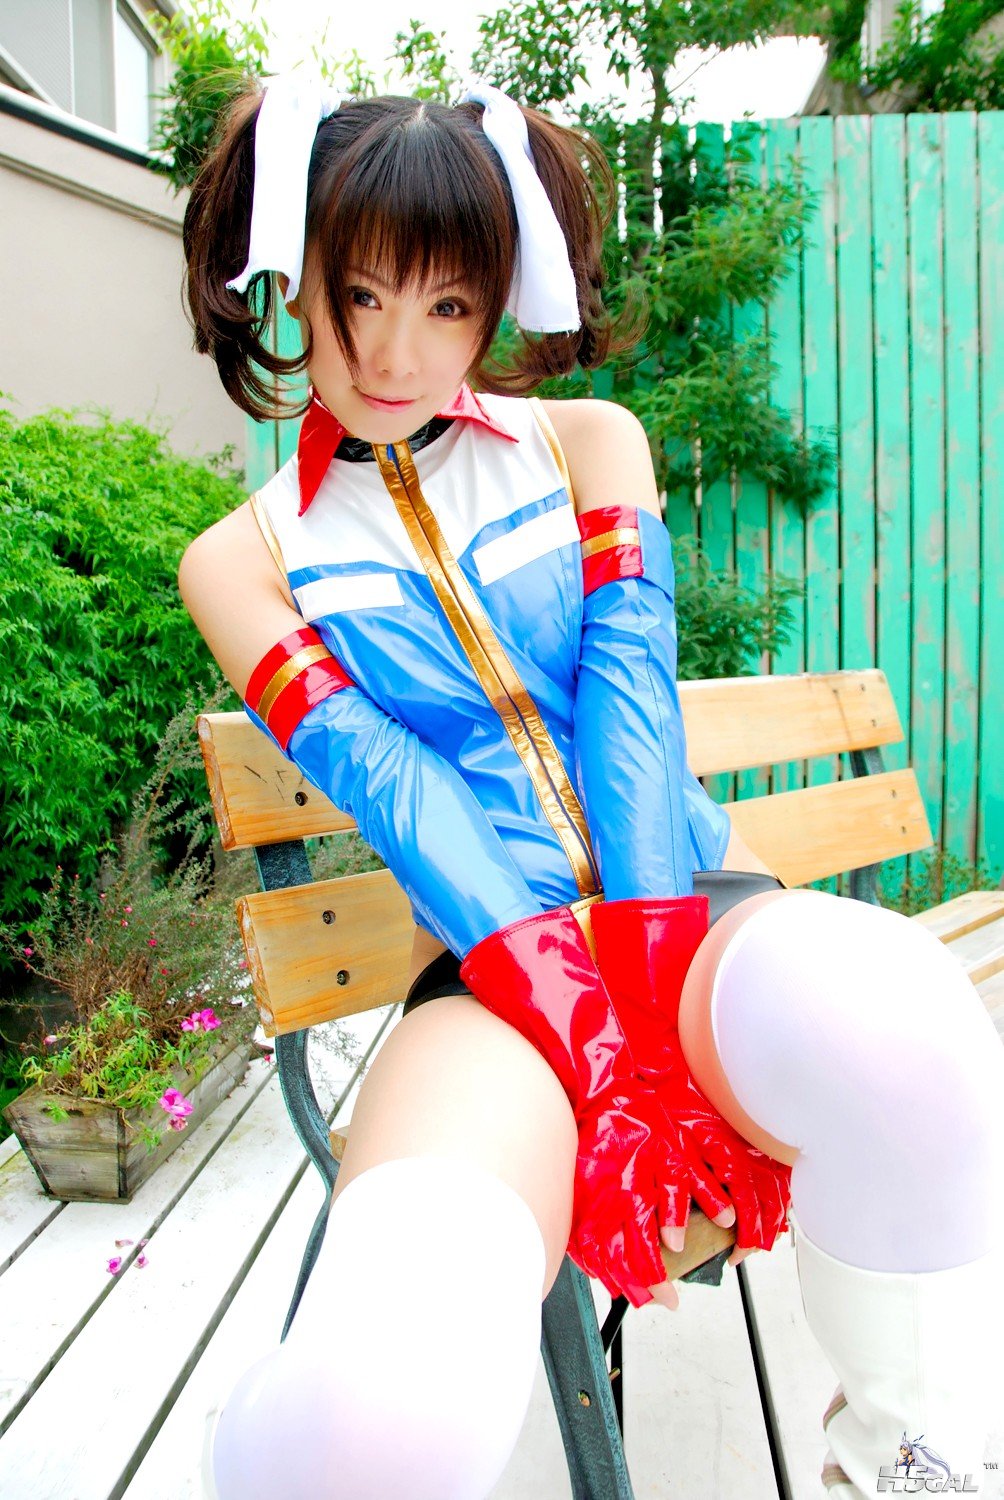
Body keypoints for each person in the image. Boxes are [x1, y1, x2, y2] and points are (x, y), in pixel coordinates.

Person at [177, 75, 1004, 1500]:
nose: (395, 354)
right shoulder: (243, 557)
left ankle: (892, 1445)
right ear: (293, 279)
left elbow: (629, 714)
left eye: (447, 305)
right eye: (358, 294)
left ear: (496, 302)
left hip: (690, 902)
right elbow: (390, 779)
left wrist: (652, 999)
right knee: (377, 1417)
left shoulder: (590, 444)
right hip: (486, 966)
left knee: (912, 1027)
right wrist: (586, 1040)